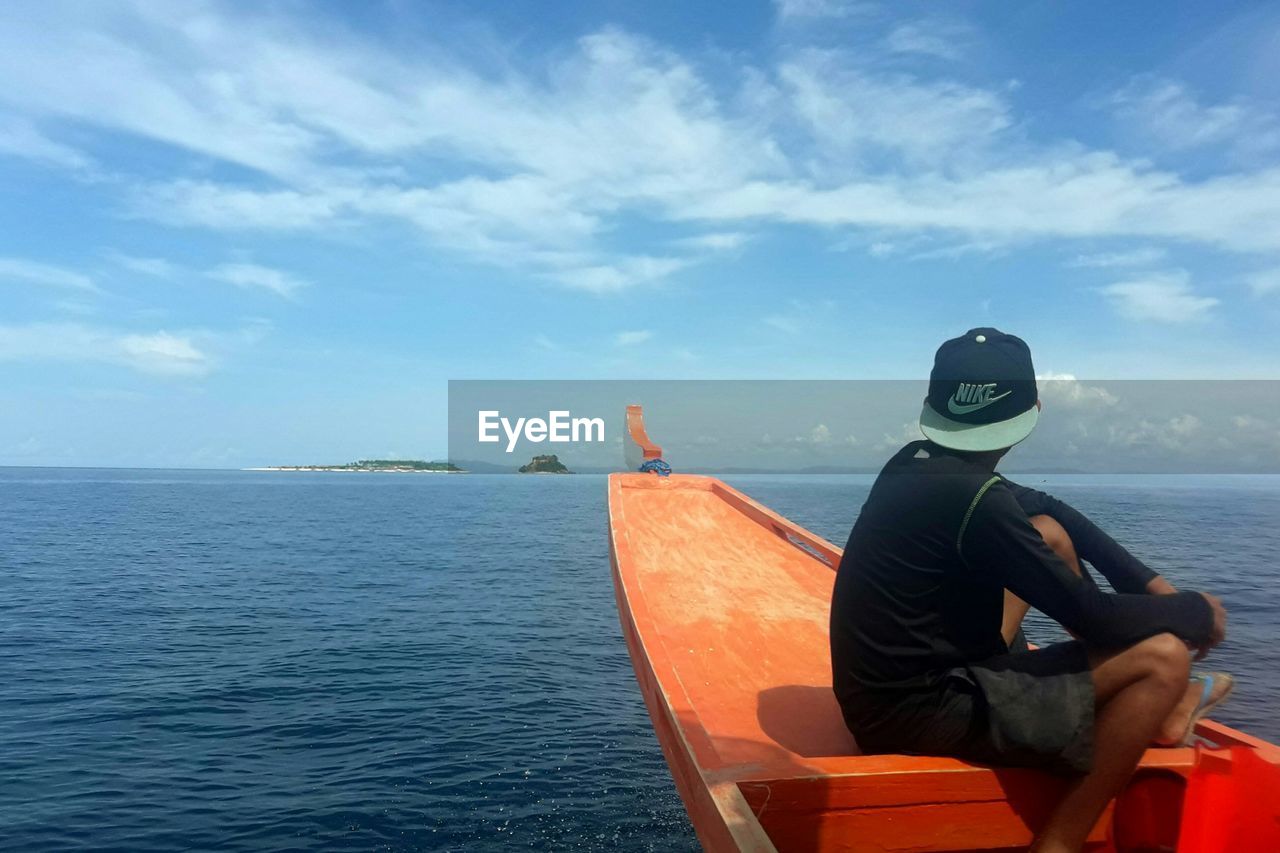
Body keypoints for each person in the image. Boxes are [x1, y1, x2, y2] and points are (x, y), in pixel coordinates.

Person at [829, 328, 1231, 853]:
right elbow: (1096, 618)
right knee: (1164, 657)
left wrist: (1144, 583)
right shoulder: (978, 501)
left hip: (884, 694)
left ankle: (1152, 702)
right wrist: (1196, 610)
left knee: (1047, 533)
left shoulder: (917, 464)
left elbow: (1051, 511)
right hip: (915, 713)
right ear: (1033, 409)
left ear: (934, 406)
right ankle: (1059, 843)